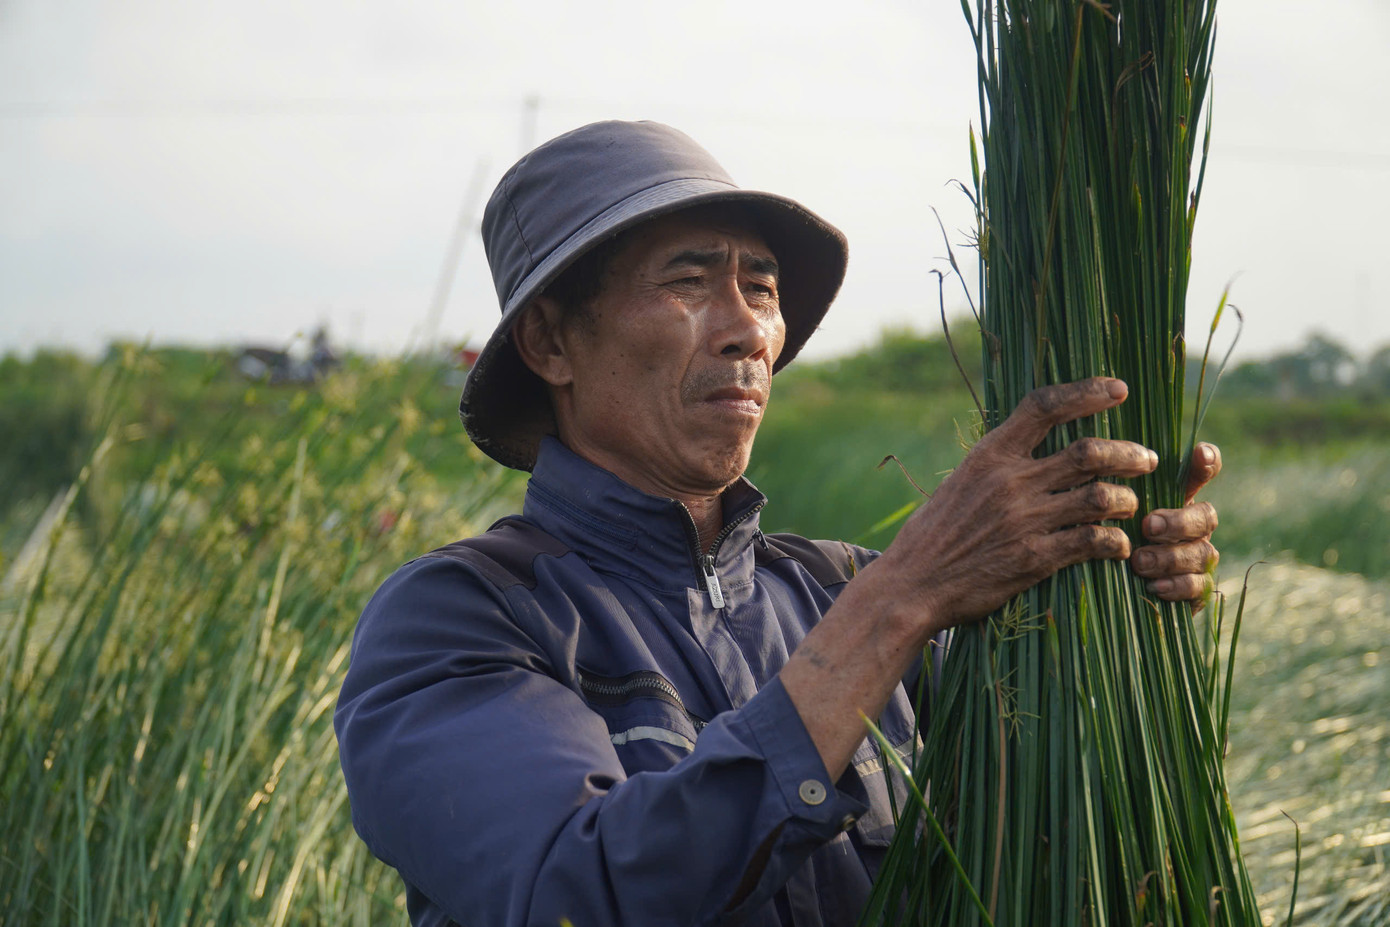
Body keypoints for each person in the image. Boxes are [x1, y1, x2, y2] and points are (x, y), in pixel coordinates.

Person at [334, 120, 1221, 927]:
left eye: (760, 288)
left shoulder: (837, 588)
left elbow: (1058, 836)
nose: (747, 331)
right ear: (551, 344)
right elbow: (579, 892)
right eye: (687, 280)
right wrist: (900, 599)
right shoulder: (459, 620)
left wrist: (1124, 596)